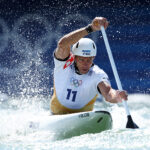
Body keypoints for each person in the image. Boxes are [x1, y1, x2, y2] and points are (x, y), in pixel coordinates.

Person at [50, 17, 128, 115]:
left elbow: (108, 93)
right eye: (82, 59)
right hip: (56, 115)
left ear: (93, 58)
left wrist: (116, 96)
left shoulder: (97, 74)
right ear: (74, 57)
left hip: (84, 118)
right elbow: (62, 44)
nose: (86, 63)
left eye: (89, 59)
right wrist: (91, 28)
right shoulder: (63, 64)